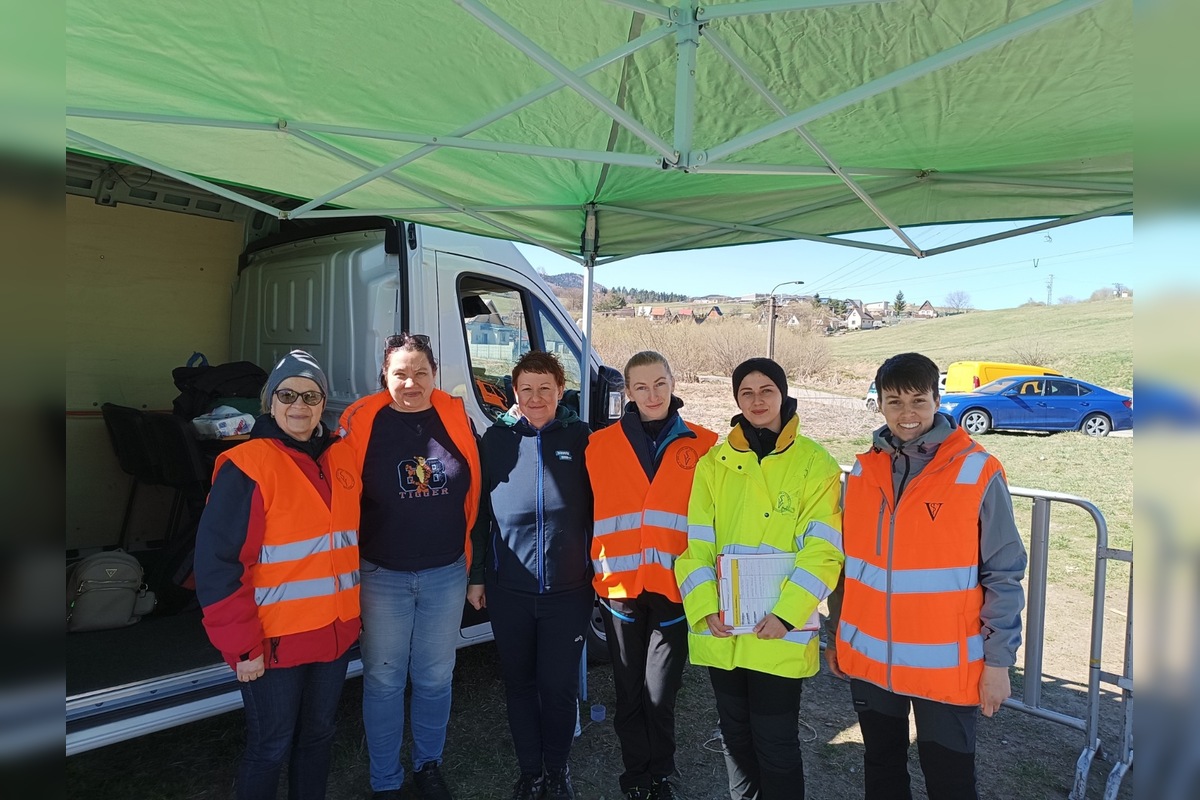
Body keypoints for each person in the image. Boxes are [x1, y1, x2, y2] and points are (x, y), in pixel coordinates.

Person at [825, 352, 1028, 800]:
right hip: (872, 661)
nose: (907, 414)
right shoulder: (862, 471)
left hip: (946, 667)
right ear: (878, 404)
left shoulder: (976, 469)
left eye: (919, 400)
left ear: (938, 400)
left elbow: (1005, 573)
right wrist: (837, 635)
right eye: (894, 401)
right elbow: (848, 568)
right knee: (881, 768)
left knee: (950, 781)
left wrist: (998, 662)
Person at [195, 350, 361, 800]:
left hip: (334, 636)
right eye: (287, 394)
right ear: (270, 402)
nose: (299, 405)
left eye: (311, 395)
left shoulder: (341, 459)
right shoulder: (248, 466)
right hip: (272, 643)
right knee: (270, 746)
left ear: (323, 403)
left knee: (319, 736)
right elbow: (219, 565)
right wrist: (242, 645)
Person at [675, 357, 843, 800]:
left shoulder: (815, 464)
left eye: (766, 390)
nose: (757, 400)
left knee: (776, 743)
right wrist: (705, 607)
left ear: (783, 395)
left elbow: (824, 549)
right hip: (725, 628)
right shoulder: (714, 463)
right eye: (746, 392)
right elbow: (696, 542)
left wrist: (787, 615)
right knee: (734, 738)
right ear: (736, 400)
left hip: (777, 632)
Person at [338, 333, 482, 800]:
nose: (412, 382)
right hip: (382, 575)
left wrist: (473, 569)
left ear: (435, 374)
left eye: (421, 372)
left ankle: (427, 765)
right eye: (401, 373)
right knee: (382, 680)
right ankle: (385, 779)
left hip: (445, 572)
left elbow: (477, 493)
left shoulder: (455, 416)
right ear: (385, 376)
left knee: (436, 676)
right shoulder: (362, 420)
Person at [586, 351, 718, 800]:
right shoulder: (598, 445)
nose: (653, 394)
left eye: (660, 383)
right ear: (627, 392)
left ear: (674, 381)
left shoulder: (704, 445)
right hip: (620, 590)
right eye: (641, 387)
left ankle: (662, 773)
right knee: (628, 692)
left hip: (675, 589)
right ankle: (636, 776)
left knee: (660, 693)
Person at [466, 351, 593, 800]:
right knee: (519, 685)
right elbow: (479, 516)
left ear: (561, 391)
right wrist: (478, 576)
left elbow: (601, 513)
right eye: (526, 389)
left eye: (546, 388)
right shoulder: (494, 442)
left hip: (569, 592)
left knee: (557, 689)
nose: (536, 397)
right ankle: (530, 774)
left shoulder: (583, 439)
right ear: (514, 393)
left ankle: (557, 773)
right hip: (509, 590)